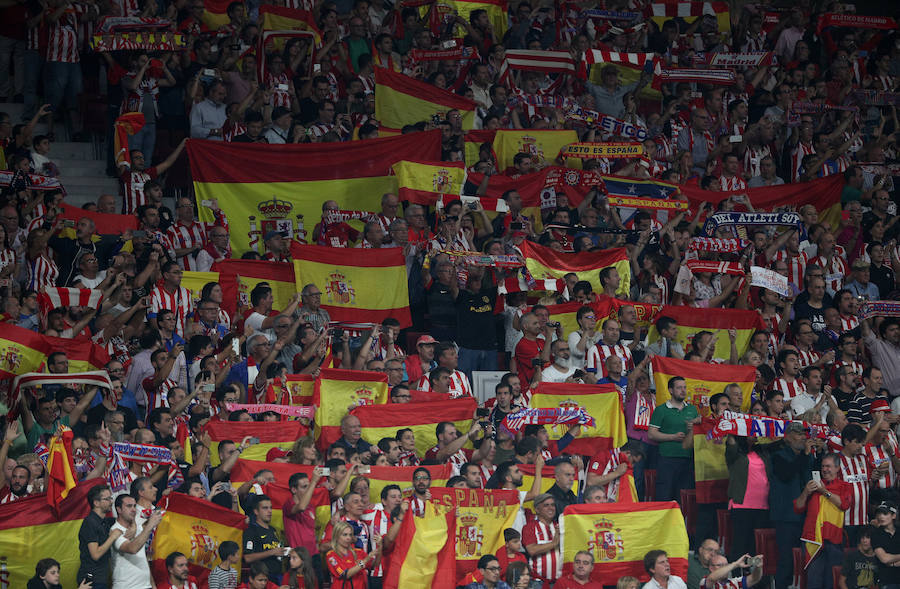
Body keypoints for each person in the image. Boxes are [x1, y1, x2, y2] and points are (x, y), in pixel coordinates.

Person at [795, 453, 852, 589]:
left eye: (829, 466)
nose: (825, 469)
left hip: (834, 540)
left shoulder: (845, 486)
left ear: (837, 468)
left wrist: (823, 491)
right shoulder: (812, 486)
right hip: (813, 540)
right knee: (814, 581)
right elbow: (798, 508)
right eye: (823, 466)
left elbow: (844, 504)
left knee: (831, 581)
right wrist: (805, 492)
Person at [649, 376, 699, 502]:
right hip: (667, 458)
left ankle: (681, 522)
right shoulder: (661, 410)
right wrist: (672, 437)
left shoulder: (692, 409)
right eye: (679, 388)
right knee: (664, 495)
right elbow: (651, 434)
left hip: (688, 459)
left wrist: (697, 423)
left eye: (684, 387)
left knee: (683, 497)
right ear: (671, 390)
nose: (683, 390)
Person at [110, 493, 163, 589]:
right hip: (127, 586)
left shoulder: (138, 529)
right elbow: (132, 548)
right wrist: (150, 525)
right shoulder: (115, 531)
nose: (134, 509)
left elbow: (142, 559)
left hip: (145, 586)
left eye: (134, 506)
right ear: (119, 509)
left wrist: (153, 585)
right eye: (129, 506)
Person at [78, 484, 121, 589]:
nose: (111, 501)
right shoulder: (90, 522)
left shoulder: (106, 522)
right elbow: (95, 554)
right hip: (91, 581)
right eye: (107, 499)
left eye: (111, 498)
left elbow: (125, 521)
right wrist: (112, 537)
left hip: (102, 579)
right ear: (96, 503)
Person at [325, 520, 381, 589]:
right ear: (336, 536)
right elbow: (346, 574)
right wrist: (365, 560)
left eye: (350, 535)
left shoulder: (358, 552)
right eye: (345, 535)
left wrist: (380, 547)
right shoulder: (331, 556)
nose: (348, 538)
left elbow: (375, 564)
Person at [242, 494, 285, 583]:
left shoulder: (274, 530)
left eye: (270, 508)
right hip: (261, 580)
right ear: (256, 511)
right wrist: (272, 552)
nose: (269, 511)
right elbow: (247, 558)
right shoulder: (251, 531)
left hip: (278, 578)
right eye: (265, 508)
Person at [522, 493, 561, 586]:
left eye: (552, 505)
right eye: (546, 505)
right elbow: (532, 550)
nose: (550, 508)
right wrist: (554, 543)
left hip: (559, 582)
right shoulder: (530, 527)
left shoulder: (560, 526)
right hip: (538, 582)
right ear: (537, 509)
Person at [700, 554, 764, 589]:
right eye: (720, 565)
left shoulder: (735, 582)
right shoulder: (705, 581)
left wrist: (758, 567)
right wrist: (735, 564)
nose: (725, 568)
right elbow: (712, 579)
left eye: (726, 565)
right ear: (711, 568)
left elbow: (754, 578)